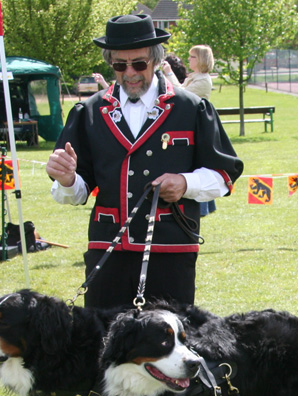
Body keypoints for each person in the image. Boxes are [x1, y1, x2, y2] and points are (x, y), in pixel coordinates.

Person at [46, 14, 242, 311]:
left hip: (171, 248)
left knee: (166, 349)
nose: (130, 73)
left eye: (139, 63)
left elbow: (224, 174)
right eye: (119, 65)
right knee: (103, 342)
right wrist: (67, 179)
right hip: (108, 250)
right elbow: (76, 192)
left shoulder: (191, 107)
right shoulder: (88, 112)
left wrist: (185, 183)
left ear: (155, 59)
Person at [162, 45, 217, 216]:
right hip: (187, 125)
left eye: (192, 57)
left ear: (201, 59)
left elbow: (181, 94)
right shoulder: (194, 77)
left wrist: (169, 73)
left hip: (196, 127)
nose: (189, 60)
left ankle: (201, 208)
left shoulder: (203, 80)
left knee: (196, 166)